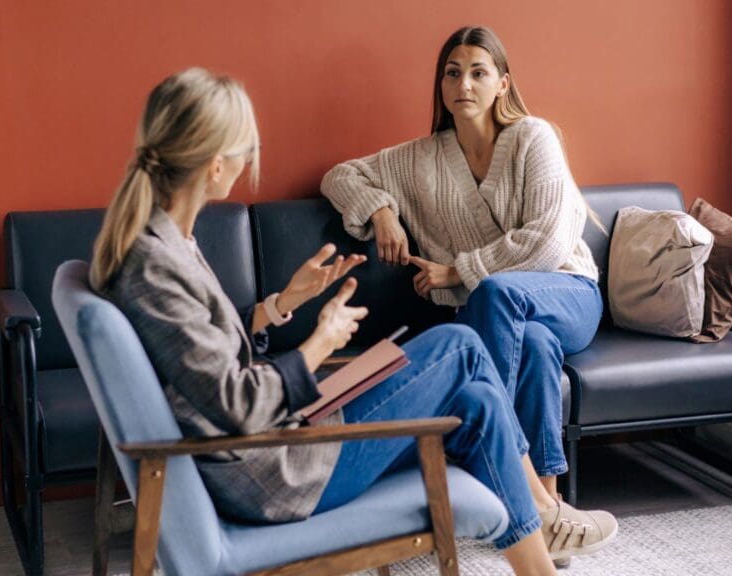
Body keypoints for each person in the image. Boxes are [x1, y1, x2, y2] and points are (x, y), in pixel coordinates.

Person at [89, 68, 615, 574]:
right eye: (245, 148)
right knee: (459, 346)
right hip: (275, 468)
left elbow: (202, 352)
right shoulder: (153, 265)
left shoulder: (164, 243)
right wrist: (320, 344)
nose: (250, 158)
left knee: (476, 398)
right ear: (214, 165)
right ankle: (544, 511)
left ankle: (538, 557)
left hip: (280, 439)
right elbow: (235, 405)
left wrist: (281, 304)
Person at [321, 25, 607, 537]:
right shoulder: (422, 158)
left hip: (568, 292)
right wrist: (382, 211)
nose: (464, 84)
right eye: (453, 73)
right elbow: (340, 176)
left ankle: (493, 469)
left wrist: (457, 271)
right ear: (442, 85)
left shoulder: (533, 137)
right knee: (536, 347)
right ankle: (546, 507)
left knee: (497, 293)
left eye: (479, 72)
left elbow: (547, 241)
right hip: (507, 315)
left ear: (502, 84)